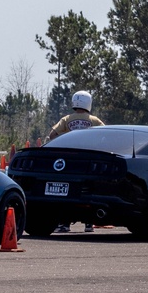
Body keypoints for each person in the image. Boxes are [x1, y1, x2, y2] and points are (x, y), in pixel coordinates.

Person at [47, 90, 105, 232]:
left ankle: (65, 224)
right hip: (88, 160)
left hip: (70, 160)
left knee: (67, 191)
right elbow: (107, 134)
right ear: (88, 103)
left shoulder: (67, 119)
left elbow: (52, 135)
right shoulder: (94, 120)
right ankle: (89, 223)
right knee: (88, 190)